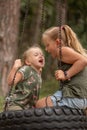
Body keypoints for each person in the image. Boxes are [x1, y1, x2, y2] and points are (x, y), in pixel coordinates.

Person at [36, 25, 87, 110]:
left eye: (47, 45)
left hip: (75, 96)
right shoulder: (69, 51)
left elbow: (83, 61)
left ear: (57, 42)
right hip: (81, 97)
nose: (46, 49)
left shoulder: (62, 50)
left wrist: (66, 74)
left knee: (39, 105)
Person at [5, 45, 45, 110]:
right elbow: (10, 82)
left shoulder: (38, 74)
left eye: (42, 55)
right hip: (17, 104)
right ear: (28, 62)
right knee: (19, 115)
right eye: (36, 55)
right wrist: (15, 67)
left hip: (28, 108)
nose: (41, 56)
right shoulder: (27, 69)